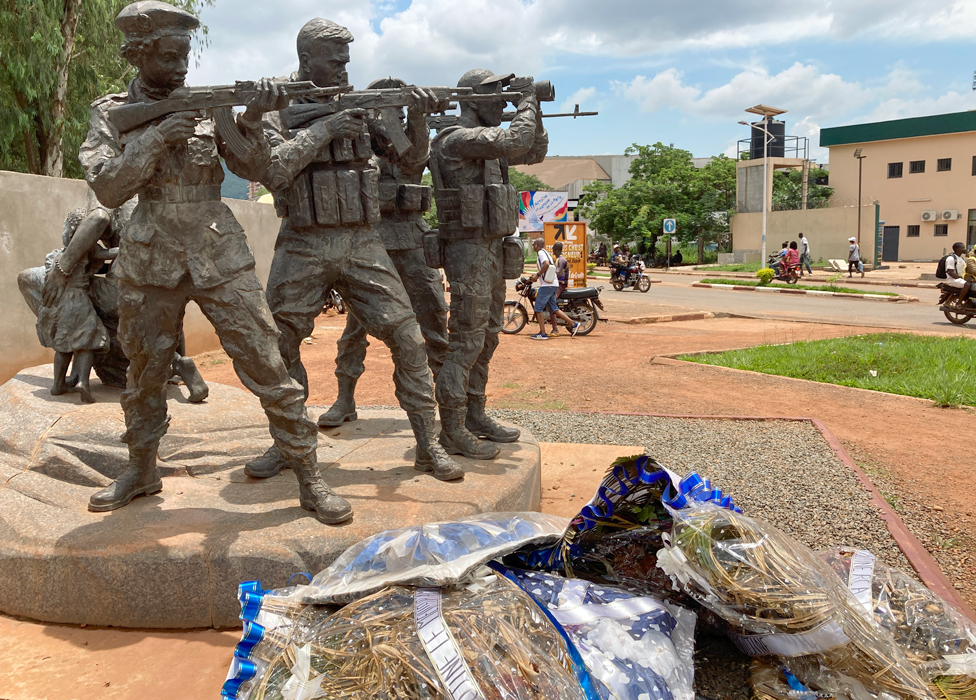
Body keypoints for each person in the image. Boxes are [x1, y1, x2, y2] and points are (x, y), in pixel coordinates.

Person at [79, 1, 345, 522]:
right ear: (138, 54)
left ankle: (309, 476)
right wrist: (156, 138)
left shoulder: (209, 103)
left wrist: (252, 116)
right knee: (144, 373)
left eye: (185, 55)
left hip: (217, 250)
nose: (181, 66)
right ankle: (140, 470)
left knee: (267, 362)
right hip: (150, 257)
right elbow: (108, 189)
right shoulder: (110, 111)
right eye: (169, 56)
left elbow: (260, 169)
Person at [242, 19, 462, 483]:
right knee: (279, 344)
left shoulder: (359, 102)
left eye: (347, 60)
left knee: (409, 338)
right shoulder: (276, 104)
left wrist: (418, 118)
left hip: (362, 240)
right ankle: (287, 444)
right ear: (306, 60)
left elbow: (409, 160)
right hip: (303, 240)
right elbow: (273, 170)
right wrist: (327, 128)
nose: (344, 67)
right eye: (335, 60)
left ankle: (428, 446)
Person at [318, 76, 448, 431]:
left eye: (395, 114)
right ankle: (345, 399)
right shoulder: (359, 147)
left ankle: (452, 407)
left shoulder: (412, 143)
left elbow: (416, 158)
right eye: (383, 113)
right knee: (355, 328)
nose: (390, 121)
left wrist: (416, 119)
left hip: (412, 239)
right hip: (371, 242)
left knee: (434, 319)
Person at [429, 69, 547, 458]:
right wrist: (527, 99)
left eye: (503, 92)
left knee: (489, 335)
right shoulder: (457, 138)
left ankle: (475, 414)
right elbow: (517, 140)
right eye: (493, 93)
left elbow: (534, 150)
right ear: (469, 98)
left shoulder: (487, 144)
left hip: (493, 247)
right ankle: (451, 430)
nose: (501, 99)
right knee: (466, 340)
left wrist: (534, 109)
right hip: (468, 250)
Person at [34, 209, 114, 402]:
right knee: (86, 343)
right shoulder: (90, 251)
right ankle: (83, 383)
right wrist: (127, 248)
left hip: (62, 305)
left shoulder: (56, 256)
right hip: (79, 303)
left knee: (62, 346)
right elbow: (105, 255)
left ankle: (57, 384)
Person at [528, 238, 578, 340]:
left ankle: (542, 333)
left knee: (538, 308)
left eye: (533, 245)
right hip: (553, 284)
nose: (533, 246)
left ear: (537, 245)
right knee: (554, 308)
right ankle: (573, 324)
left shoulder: (541, 253)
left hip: (548, 285)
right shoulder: (546, 253)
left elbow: (546, 264)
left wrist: (537, 275)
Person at [549, 240, 570, 335]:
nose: (553, 251)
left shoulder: (561, 260)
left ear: (556, 249)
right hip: (558, 284)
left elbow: (557, 273)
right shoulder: (559, 259)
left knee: (551, 303)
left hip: (560, 284)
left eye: (553, 249)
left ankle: (555, 328)